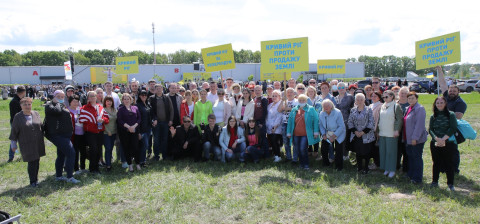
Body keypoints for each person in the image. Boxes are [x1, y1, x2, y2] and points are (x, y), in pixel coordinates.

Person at [9, 97, 46, 187]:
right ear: (21, 106)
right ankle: (32, 181)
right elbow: (14, 132)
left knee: (37, 160)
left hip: (37, 142)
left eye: (29, 104)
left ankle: (36, 179)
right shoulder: (18, 117)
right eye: (25, 104)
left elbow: (41, 126)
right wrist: (13, 144)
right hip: (26, 143)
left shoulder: (36, 113)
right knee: (31, 161)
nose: (27, 106)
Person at [436, 66, 466, 173]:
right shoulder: (447, 97)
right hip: (442, 127)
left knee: (452, 150)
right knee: (442, 148)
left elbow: (457, 117)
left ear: (458, 92)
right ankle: (444, 168)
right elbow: (443, 83)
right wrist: (439, 70)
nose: (452, 92)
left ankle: (454, 169)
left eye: (454, 91)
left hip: (452, 129)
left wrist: (442, 114)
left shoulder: (460, 103)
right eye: (450, 90)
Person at [46, 90, 80, 183]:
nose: (61, 98)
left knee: (61, 155)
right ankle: (70, 176)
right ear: (54, 96)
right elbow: (57, 111)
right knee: (71, 153)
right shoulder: (50, 105)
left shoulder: (61, 105)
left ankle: (59, 176)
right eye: (58, 96)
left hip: (65, 134)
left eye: (62, 97)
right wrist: (56, 102)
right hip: (57, 135)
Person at [429, 96, 458, 191]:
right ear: (435, 104)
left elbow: (453, 128)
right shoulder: (433, 116)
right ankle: (434, 182)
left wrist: (443, 139)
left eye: (441, 102)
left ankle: (450, 184)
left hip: (448, 143)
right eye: (437, 103)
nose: (439, 104)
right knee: (436, 163)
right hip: (435, 143)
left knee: (449, 163)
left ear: (445, 104)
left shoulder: (451, 114)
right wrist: (437, 139)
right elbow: (430, 129)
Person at [286, 94, 320, 170]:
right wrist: (288, 132)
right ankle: (301, 164)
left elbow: (316, 120)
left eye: (303, 100)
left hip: (305, 134)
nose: (301, 102)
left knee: (302, 149)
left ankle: (306, 164)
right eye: (300, 100)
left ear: (306, 101)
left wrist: (316, 132)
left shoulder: (311, 109)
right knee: (297, 149)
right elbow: (290, 122)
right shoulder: (294, 109)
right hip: (296, 134)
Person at [79, 91, 109, 174]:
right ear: (88, 98)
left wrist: (103, 120)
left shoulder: (100, 107)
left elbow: (107, 118)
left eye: (94, 96)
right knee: (93, 150)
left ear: (96, 97)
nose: (92, 97)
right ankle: (92, 168)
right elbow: (81, 120)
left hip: (100, 131)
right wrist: (92, 122)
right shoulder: (84, 108)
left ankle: (97, 167)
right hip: (90, 132)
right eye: (91, 96)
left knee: (99, 150)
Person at [377, 90, 403, 178]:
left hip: (391, 133)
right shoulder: (382, 106)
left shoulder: (396, 106)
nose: (384, 98)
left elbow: (399, 119)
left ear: (392, 96)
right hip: (382, 132)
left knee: (391, 152)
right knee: (383, 151)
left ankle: (392, 169)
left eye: (386, 97)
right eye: (383, 97)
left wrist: (397, 130)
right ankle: (386, 168)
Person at [403, 92, 428, 184]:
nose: (411, 100)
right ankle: (411, 174)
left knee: (416, 157)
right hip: (407, 138)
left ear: (417, 99)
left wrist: (415, 138)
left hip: (416, 139)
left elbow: (419, 125)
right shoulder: (408, 108)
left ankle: (417, 178)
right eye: (409, 98)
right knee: (410, 157)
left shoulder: (420, 109)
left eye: (413, 98)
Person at [347, 93, 375, 174]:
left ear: (364, 100)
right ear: (355, 100)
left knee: (366, 152)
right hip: (356, 135)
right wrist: (355, 131)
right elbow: (350, 122)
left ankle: (366, 167)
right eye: (357, 99)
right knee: (358, 152)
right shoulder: (353, 110)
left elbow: (371, 122)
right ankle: (359, 167)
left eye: (361, 99)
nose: (359, 101)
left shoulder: (368, 109)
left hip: (366, 135)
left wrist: (363, 132)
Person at [318, 99, 346, 171]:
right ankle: (326, 163)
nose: (326, 107)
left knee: (338, 149)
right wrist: (323, 134)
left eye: (328, 105)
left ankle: (339, 166)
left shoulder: (337, 112)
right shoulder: (322, 113)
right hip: (328, 132)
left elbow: (341, 126)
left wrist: (334, 136)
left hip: (339, 132)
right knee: (323, 148)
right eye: (324, 106)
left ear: (331, 105)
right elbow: (321, 125)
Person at [117, 93, 141, 171]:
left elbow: (139, 119)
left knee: (136, 147)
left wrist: (133, 127)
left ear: (131, 100)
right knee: (126, 148)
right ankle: (130, 165)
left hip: (134, 130)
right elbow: (120, 120)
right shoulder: (120, 109)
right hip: (125, 132)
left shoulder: (135, 108)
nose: (126, 100)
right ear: (123, 100)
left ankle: (137, 164)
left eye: (128, 99)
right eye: (125, 99)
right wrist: (128, 127)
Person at [150, 84, 174, 161]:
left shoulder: (166, 97)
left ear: (162, 89)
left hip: (165, 122)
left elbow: (171, 109)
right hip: (156, 123)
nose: (159, 90)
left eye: (160, 88)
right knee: (156, 140)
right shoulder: (152, 98)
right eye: (157, 88)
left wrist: (170, 120)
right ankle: (156, 156)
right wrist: (154, 119)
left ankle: (164, 155)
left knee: (164, 139)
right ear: (155, 90)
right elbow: (150, 110)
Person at [334, 82, 355, 160]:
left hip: (347, 120)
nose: (341, 89)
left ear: (346, 88)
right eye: (339, 88)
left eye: (342, 88)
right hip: (337, 121)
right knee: (338, 136)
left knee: (345, 137)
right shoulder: (335, 98)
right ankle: (338, 152)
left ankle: (345, 154)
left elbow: (353, 109)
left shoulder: (350, 97)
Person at [68, 95, 87, 174]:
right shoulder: (68, 111)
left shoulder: (80, 110)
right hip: (74, 135)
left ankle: (83, 167)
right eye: (74, 101)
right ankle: (76, 168)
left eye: (77, 101)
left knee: (83, 151)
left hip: (82, 134)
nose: (76, 103)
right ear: (70, 102)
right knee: (75, 152)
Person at [278, 88, 298, 163]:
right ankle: (288, 157)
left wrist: (288, 108)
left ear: (294, 93)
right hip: (285, 123)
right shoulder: (284, 101)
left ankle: (295, 158)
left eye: (291, 92)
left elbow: (297, 109)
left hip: (294, 123)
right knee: (286, 141)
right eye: (288, 92)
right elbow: (279, 110)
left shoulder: (296, 101)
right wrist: (282, 101)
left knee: (294, 141)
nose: (289, 94)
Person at [8, 85, 26, 162]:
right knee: (14, 140)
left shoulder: (19, 100)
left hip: (19, 122)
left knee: (22, 139)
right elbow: (15, 115)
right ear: (23, 92)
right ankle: (11, 157)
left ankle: (23, 155)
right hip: (16, 123)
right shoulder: (15, 102)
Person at [266, 90, 283, 163]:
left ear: (279, 97)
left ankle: (278, 156)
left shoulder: (280, 105)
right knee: (271, 141)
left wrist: (275, 127)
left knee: (275, 141)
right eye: (273, 96)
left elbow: (279, 116)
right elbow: (267, 116)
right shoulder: (270, 105)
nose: (274, 97)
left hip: (276, 127)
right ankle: (275, 155)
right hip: (269, 126)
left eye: (276, 96)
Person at [396, 86, 410, 173]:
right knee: (397, 150)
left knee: (406, 150)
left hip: (407, 131)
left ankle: (406, 168)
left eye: (405, 93)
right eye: (402, 93)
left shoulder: (411, 104)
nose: (403, 95)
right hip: (397, 131)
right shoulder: (395, 104)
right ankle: (397, 166)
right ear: (399, 94)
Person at [369, 91, 383, 170]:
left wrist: (377, 130)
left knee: (376, 148)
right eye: (372, 96)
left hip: (376, 130)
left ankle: (377, 163)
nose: (373, 98)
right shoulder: (371, 105)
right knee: (372, 148)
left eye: (375, 96)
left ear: (379, 97)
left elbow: (379, 119)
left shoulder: (381, 106)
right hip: (370, 130)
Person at [136, 90, 151, 167]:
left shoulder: (147, 104)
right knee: (144, 145)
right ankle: (141, 161)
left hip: (148, 128)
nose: (144, 96)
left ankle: (143, 160)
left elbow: (151, 114)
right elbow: (137, 119)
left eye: (145, 94)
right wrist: (138, 132)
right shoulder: (137, 105)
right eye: (142, 95)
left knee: (145, 145)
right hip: (141, 129)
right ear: (139, 96)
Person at [103, 96, 117, 171]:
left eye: (110, 101)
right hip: (106, 133)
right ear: (105, 102)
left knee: (111, 148)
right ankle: (108, 165)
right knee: (108, 148)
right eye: (107, 101)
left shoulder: (115, 110)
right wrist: (107, 131)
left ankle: (110, 161)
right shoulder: (103, 110)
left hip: (114, 132)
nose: (109, 102)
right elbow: (102, 123)